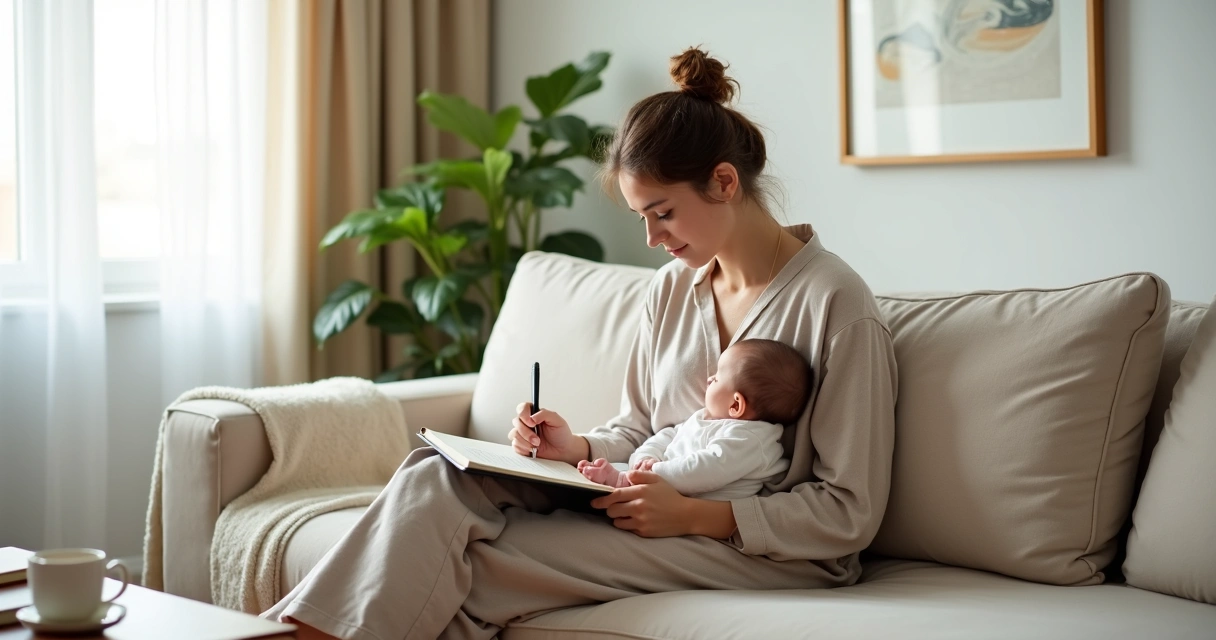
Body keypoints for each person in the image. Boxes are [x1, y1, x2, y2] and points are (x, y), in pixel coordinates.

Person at [263, 46, 898, 640]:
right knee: (437, 473)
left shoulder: (837, 304)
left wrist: (697, 516)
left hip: (767, 550)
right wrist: (576, 446)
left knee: (477, 563)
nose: (652, 238)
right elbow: (640, 427)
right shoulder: (672, 290)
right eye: (640, 217)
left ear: (725, 182)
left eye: (663, 212)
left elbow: (849, 511)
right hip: (637, 499)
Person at [577, 338, 812, 500]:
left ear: (735, 405)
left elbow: (704, 469)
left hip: (692, 505)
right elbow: (668, 436)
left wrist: (652, 472)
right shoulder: (705, 417)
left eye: (718, 377)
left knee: (618, 487)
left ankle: (613, 480)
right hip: (663, 483)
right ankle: (608, 479)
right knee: (615, 472)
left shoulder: (752, 440)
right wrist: (646, 457)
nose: (710, 378)